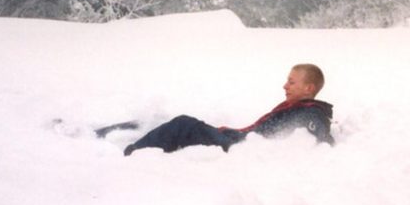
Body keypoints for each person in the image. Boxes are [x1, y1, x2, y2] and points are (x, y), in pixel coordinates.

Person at [98, 64, 334, 155]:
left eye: (292, 82)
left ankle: (132, 153)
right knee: (162, 120)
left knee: (183, 123)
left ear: (309, 88)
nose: (285, 86)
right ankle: (106, 133)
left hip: (239, 149)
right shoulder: (299, 108)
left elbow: (319, 139)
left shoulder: (311, 114)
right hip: (238, 138)